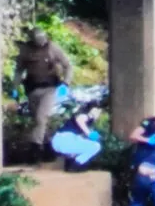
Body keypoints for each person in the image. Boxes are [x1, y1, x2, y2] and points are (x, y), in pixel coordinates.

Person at [11, 27, 74, 164]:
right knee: (39, 122)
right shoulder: (26, 51)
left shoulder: (53, 48)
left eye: (42, 39)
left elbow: (68, 65)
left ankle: (34, 151)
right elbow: (19, 70)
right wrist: (14, 87)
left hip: (50, 88)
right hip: (32, 89)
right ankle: (49, 149)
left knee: (41, 117)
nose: (41, 42)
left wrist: (66, 83)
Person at [50, 102, 103, 172]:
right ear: (93, 110)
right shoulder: (85, 116)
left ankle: (70, 163)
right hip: (64, 141)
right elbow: (80, 120)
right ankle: (76, 164)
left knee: (83, 142)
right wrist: (91, 134)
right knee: (96, 146)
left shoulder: (84, 118)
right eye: (98, 111)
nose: (99, 114)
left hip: (58, 142)